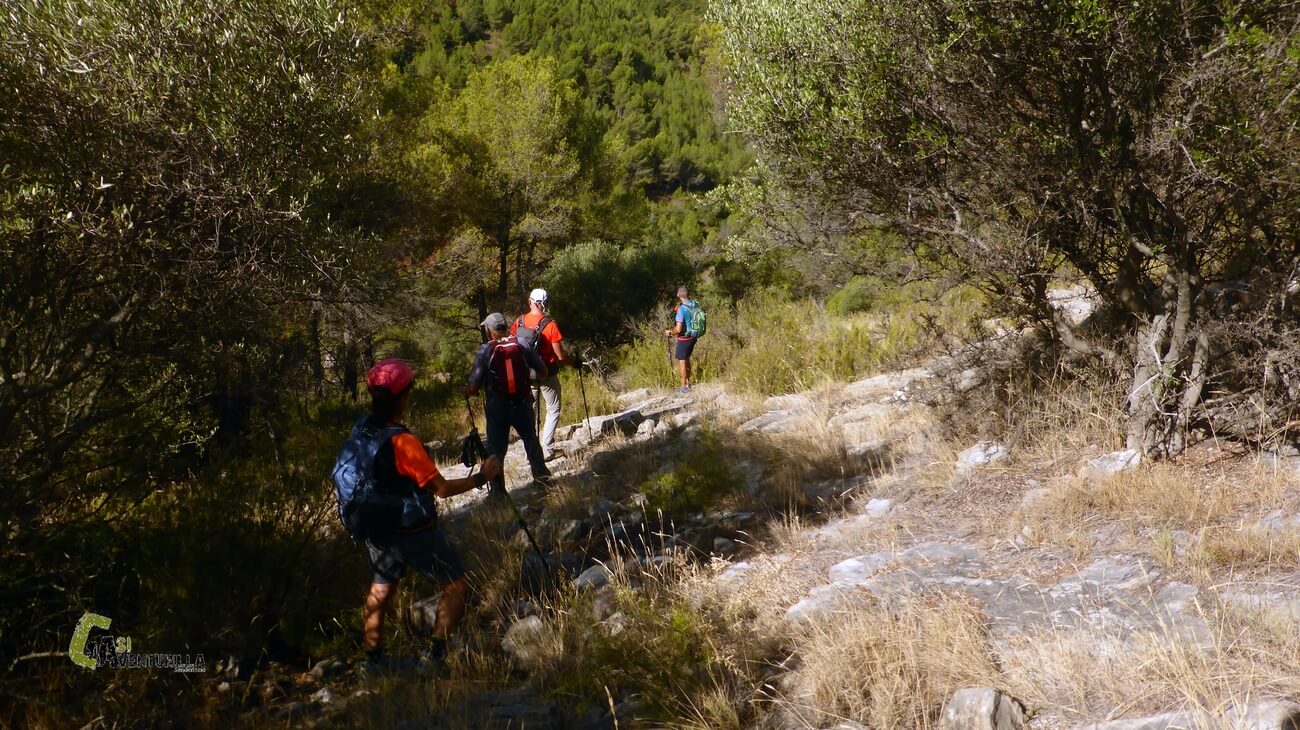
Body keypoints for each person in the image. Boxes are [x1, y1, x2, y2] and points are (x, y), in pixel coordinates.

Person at [356, 359, 501, 675]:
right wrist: (482, 478)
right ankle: (435, 657)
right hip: (410, 528)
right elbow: (442, 489)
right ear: (404, 396)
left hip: (375, 527)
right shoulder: (402, 442)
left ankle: (372, 662)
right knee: (456, 585)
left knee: (380, 589)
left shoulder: (362, 430)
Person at [465, 313, 552, 495]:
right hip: (522, 403)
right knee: (531, 441)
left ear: (489, 330)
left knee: (496, 451)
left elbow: (473, 387)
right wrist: (526, 377)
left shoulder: (485, 350)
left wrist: (466, 391)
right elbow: (543, 372)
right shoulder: (522, 343)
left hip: (497, 408)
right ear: (505, 327)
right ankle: (542, 479)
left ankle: (498, 493)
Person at [510, 288, 570, 460]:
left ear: (530, 301)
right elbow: (560, 356)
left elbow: (512, 345)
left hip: (525, 375)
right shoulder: (550, 325)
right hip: (547, 373)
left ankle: (531, 450)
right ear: (544, 303)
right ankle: (547, 449)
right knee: (553, 409)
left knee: (530, 411)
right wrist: (573, 363)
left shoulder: (519, 322)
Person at [664, 285, 699, 394]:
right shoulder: (695, 304)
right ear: (688, 294)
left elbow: (678, 329)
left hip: (684, 339)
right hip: (694, 336)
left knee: (682, 362)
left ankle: (684, 387)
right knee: (687, 359)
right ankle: (688, 382)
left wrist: (670, 332)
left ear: (678, 295)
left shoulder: (681, 309)